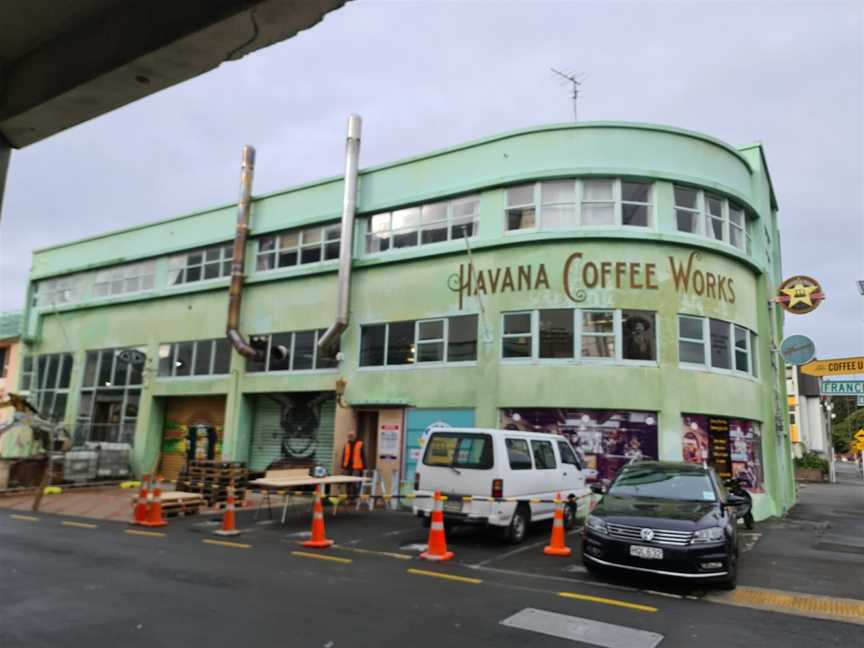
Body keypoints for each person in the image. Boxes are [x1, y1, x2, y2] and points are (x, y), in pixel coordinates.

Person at [341, 430, 366, 498]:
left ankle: (355, 496)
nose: (350, 437)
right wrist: (342, 466)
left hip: (357, 467)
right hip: (347, 467)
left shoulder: (360, 444)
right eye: (349, 436)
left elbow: (363, 455)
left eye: (352, 435)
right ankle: (349, 496)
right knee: (347, 482)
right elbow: (343, 456)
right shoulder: (346, 445)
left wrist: (364, 467)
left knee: (355, 483)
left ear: (355, 436)